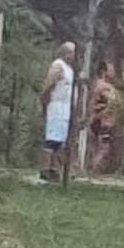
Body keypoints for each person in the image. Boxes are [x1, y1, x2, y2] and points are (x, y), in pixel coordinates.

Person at [40, 42, 76, 182]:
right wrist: (44, 100)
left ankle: (55, 168)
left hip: (66, 108)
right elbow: (49, 84)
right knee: (51, 138)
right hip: (56, 105)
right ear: (66, 52)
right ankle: (45, 168)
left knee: (60, 140)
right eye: (72, 52)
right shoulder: (58, 65)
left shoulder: (70, 69)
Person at [89, 62, 119, 175]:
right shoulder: (103, 87)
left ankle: (94, 168)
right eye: (111, 70)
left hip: (101, 120)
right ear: (104, 72)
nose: (113, 72)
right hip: (103, 122)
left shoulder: (99, 85)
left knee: (99, 147)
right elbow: (112, 101)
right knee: (103, 148)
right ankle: (93, 170)